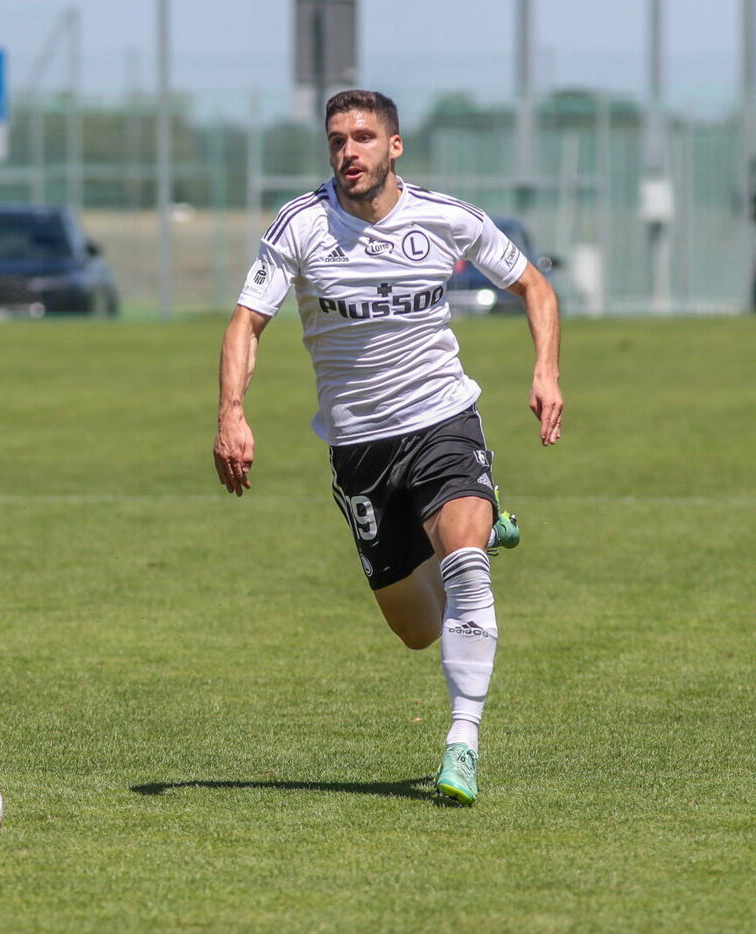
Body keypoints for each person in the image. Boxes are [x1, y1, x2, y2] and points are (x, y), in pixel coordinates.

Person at [213, 89, 563, 805]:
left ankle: (462, 742)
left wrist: (545, 370)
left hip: (443, 420)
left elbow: (533, 285)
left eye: (364, 138)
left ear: (393, 146)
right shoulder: (302, 225)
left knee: (465, 566)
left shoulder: (445, 217)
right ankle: (476, 526)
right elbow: (246, 323)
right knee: (416, 629)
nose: (349, 152)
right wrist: (232, 412)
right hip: (359, 449)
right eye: (338, 139)